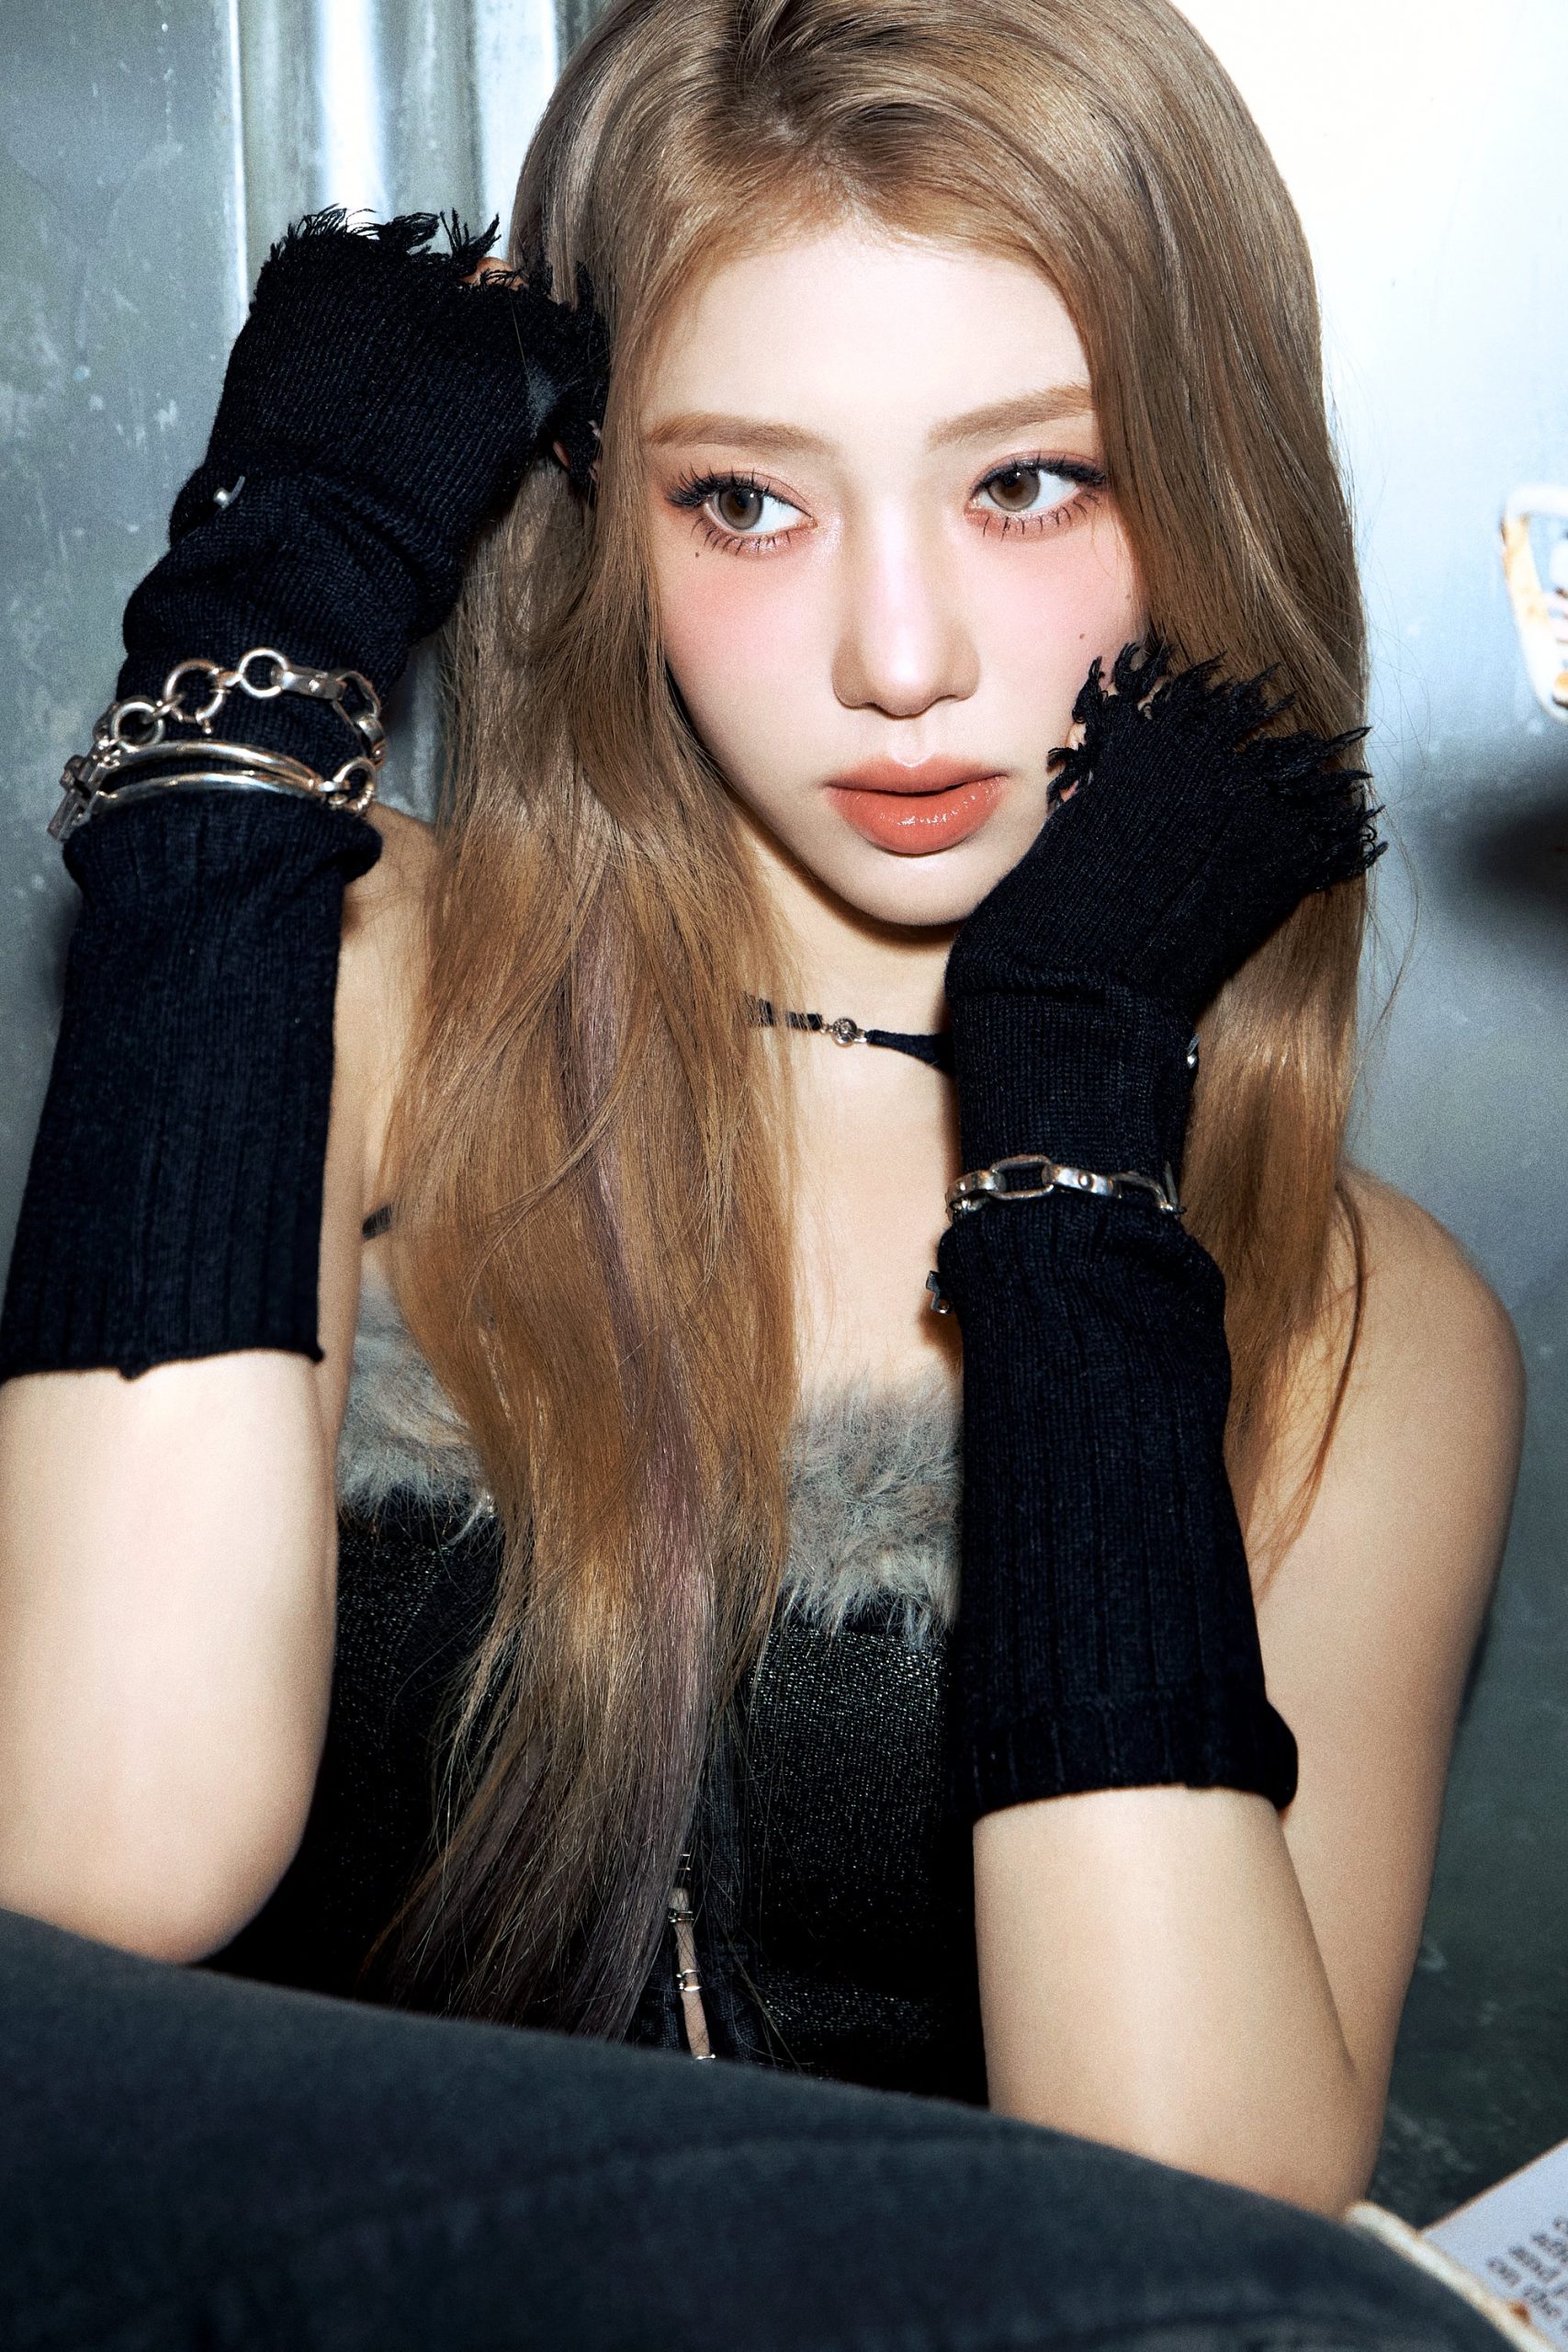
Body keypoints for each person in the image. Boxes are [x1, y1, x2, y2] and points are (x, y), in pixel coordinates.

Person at [0, 0, 1524, 2301]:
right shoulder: (348, 965)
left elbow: (1179, 2217)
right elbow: (98, 1851)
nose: (896, 655)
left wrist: (1068, 1141)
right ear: (600, 516)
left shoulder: (1350, 1310)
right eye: (745, 497)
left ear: (1211, 480)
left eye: (1029, 480)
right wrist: (246, 669)